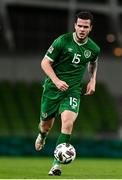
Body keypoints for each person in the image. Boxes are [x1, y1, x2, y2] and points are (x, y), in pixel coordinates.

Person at [35, 11, 100, 176]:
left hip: (72, 90)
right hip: (52, 88)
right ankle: (42, 135)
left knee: (68, 123)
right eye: (79, 25)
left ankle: (56, 165)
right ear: (75, 26)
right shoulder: (62, 41)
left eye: (85, 26)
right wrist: (56, 81)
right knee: (45, 125)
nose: (82, 29)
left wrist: (92, 79)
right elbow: (44, 63)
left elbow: (93, 62)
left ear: (90, 28)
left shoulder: (93, 48)